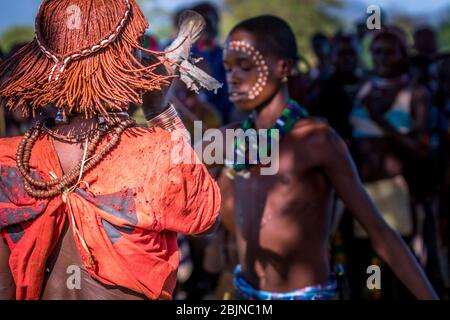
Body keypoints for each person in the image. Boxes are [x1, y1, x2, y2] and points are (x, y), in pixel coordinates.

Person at [0, 0, 221, 300]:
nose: (144, 56)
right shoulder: (154, 154)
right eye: (138, 45)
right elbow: (205, 217)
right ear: (125, 59)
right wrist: (158, 108)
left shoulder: (9, 159)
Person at [212, 15, 437, 300]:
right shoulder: (231, 138)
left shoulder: (317, 140)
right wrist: (159, 106)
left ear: (283, 68)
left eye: (245, 66)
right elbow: (176, 165)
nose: (233, 77)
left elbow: (380, 233)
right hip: (244, 295)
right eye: (228, 67)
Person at [348, 27, 443, 298]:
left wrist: (381, 120)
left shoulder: (415, 93)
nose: (382, 57)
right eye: (377, 51)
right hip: (360, 191)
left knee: (396, 266)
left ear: (403, 55)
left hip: (397, 193)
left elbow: (422, 148)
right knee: (364, 264)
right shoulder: (364, 88)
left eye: (389, 51)